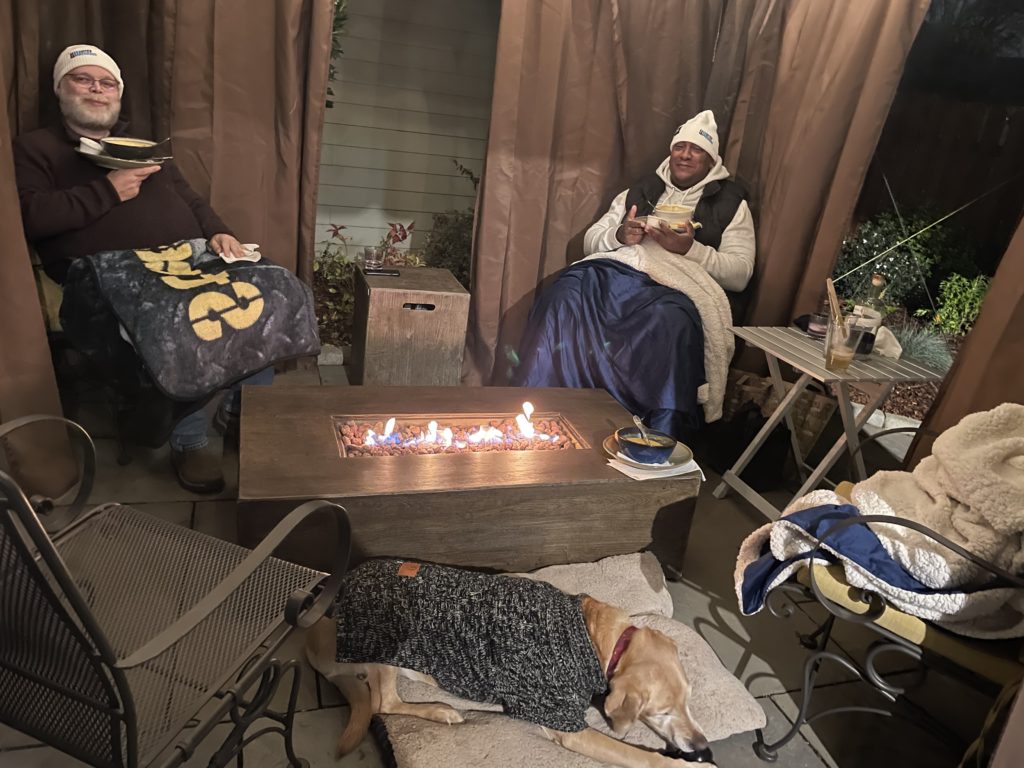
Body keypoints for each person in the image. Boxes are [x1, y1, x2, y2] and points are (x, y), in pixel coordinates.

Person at [14, 44, 271, 494]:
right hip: (107, 271)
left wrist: (219, 232)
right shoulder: (38, 149)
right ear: (60, 89)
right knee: (187, 319)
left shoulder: (143, 147)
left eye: (107, 82)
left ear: (118, 93)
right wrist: (108, 191)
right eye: (83, 79)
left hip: (186, 259)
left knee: (270, 288)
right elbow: (30, 216)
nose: (97, 89)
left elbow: (190, 199)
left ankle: (239, 414)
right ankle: (189, 441)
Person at [512, 110, 755, 441]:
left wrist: (690, 249)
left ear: (711, 159)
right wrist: (620, 234)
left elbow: (740, 273)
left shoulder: (732, 203)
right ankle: (539, 408)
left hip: (676, 285)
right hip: (619, 269)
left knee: (669, 321)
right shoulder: (640, 190)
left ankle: (650, 435)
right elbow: (591, 240)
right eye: (680, 147)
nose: (685, 155)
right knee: (565, 293)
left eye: (697, 149)